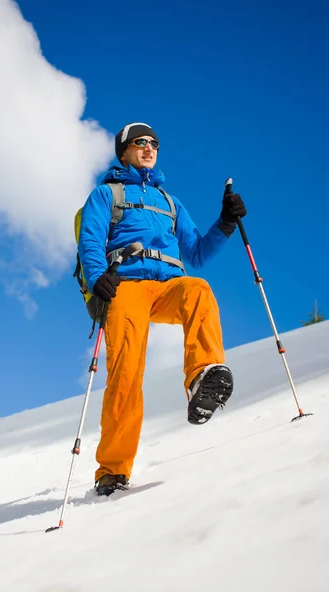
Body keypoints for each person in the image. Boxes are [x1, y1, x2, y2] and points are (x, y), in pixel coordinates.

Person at [78, 122, 247, 496]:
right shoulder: (107, 194)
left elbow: (197, 254)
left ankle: (202, 376)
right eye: (141, 142)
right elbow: (89, 241)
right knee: (126, 372)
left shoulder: (170, 202)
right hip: (126, 287)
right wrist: (96, 279)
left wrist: (226, 223)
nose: (150, 147)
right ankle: (113, 470)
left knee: (198, 289)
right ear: (124, 150)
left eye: (154, 143)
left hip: (168, 284)